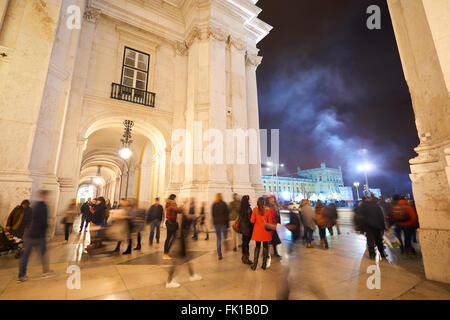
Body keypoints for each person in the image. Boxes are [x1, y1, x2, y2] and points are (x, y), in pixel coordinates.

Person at [18, 190, 55, 282]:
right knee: (42, 253)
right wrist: (47, 228)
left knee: (26, 255)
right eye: (46, 196)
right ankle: (46, 271)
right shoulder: (43, 206)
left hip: (31, 233)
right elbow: (43, 220)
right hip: (39, 235)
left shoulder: (35, 205)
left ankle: (21, 275)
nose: (48, 197)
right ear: (44, 196)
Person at [166, 205, 202, 288]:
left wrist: (196, 218)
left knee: (187, 258)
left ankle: (192, 275)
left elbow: (189, 219)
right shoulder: (182, 217)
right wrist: (196, 218)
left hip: (182, 240)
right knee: (176, 262)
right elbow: (188, 220)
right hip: (181, 241)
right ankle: (169, 281)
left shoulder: (181, 216)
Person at [250, 197, 276, 270]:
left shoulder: (255, 209)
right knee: (265, 247)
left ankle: (254, 265)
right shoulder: (268, 211)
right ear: (264, 203)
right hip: (265, 232)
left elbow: (252, 220)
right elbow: (270, 222)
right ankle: (264, 265)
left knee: (257, 247)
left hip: (257, 231)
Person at [163, 194, 182, 259]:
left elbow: (178, 212)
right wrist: (181, 206)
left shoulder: (168, 204)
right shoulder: (171, 205)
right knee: (171, 237)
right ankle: (165, 253)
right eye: (175, 198)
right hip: (171, 223)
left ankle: (166, 252)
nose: (176, 200)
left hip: (170, 222)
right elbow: (179, 211)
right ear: (173, 198)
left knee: (171, 237)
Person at [212, 193, 229, 260]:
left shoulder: (214, 204)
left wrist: (214, 223)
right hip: (223, 223)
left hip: (216, 223)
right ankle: (225, 248)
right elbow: (227, 215)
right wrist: (227, 225)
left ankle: (219, 254)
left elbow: (213, 214)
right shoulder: (224, 204)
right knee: (225, 237)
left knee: (218, 238)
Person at [239, 195, 253, 265]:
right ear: (247, 200)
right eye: (249, 199)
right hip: (248, 229)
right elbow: (251, 220)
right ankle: (246, 258)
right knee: (246, 244)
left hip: (243, 229)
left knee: (244, 243)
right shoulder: (248, 209)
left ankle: (244, 257)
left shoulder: (241, 208)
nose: (250, 200)